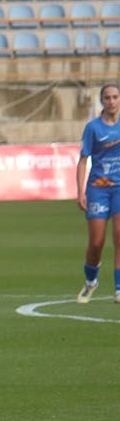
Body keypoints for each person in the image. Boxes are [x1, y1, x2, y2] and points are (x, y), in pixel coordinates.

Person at [75, 83, 120, 303]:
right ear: (101, 101)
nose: (111, 101)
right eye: (107, 98)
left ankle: (119, 288)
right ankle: (91, 281)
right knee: (96, 242)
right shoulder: (93, 128)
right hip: (98, 189)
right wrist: (80, 191)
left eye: (115, 97)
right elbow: (83, 160)